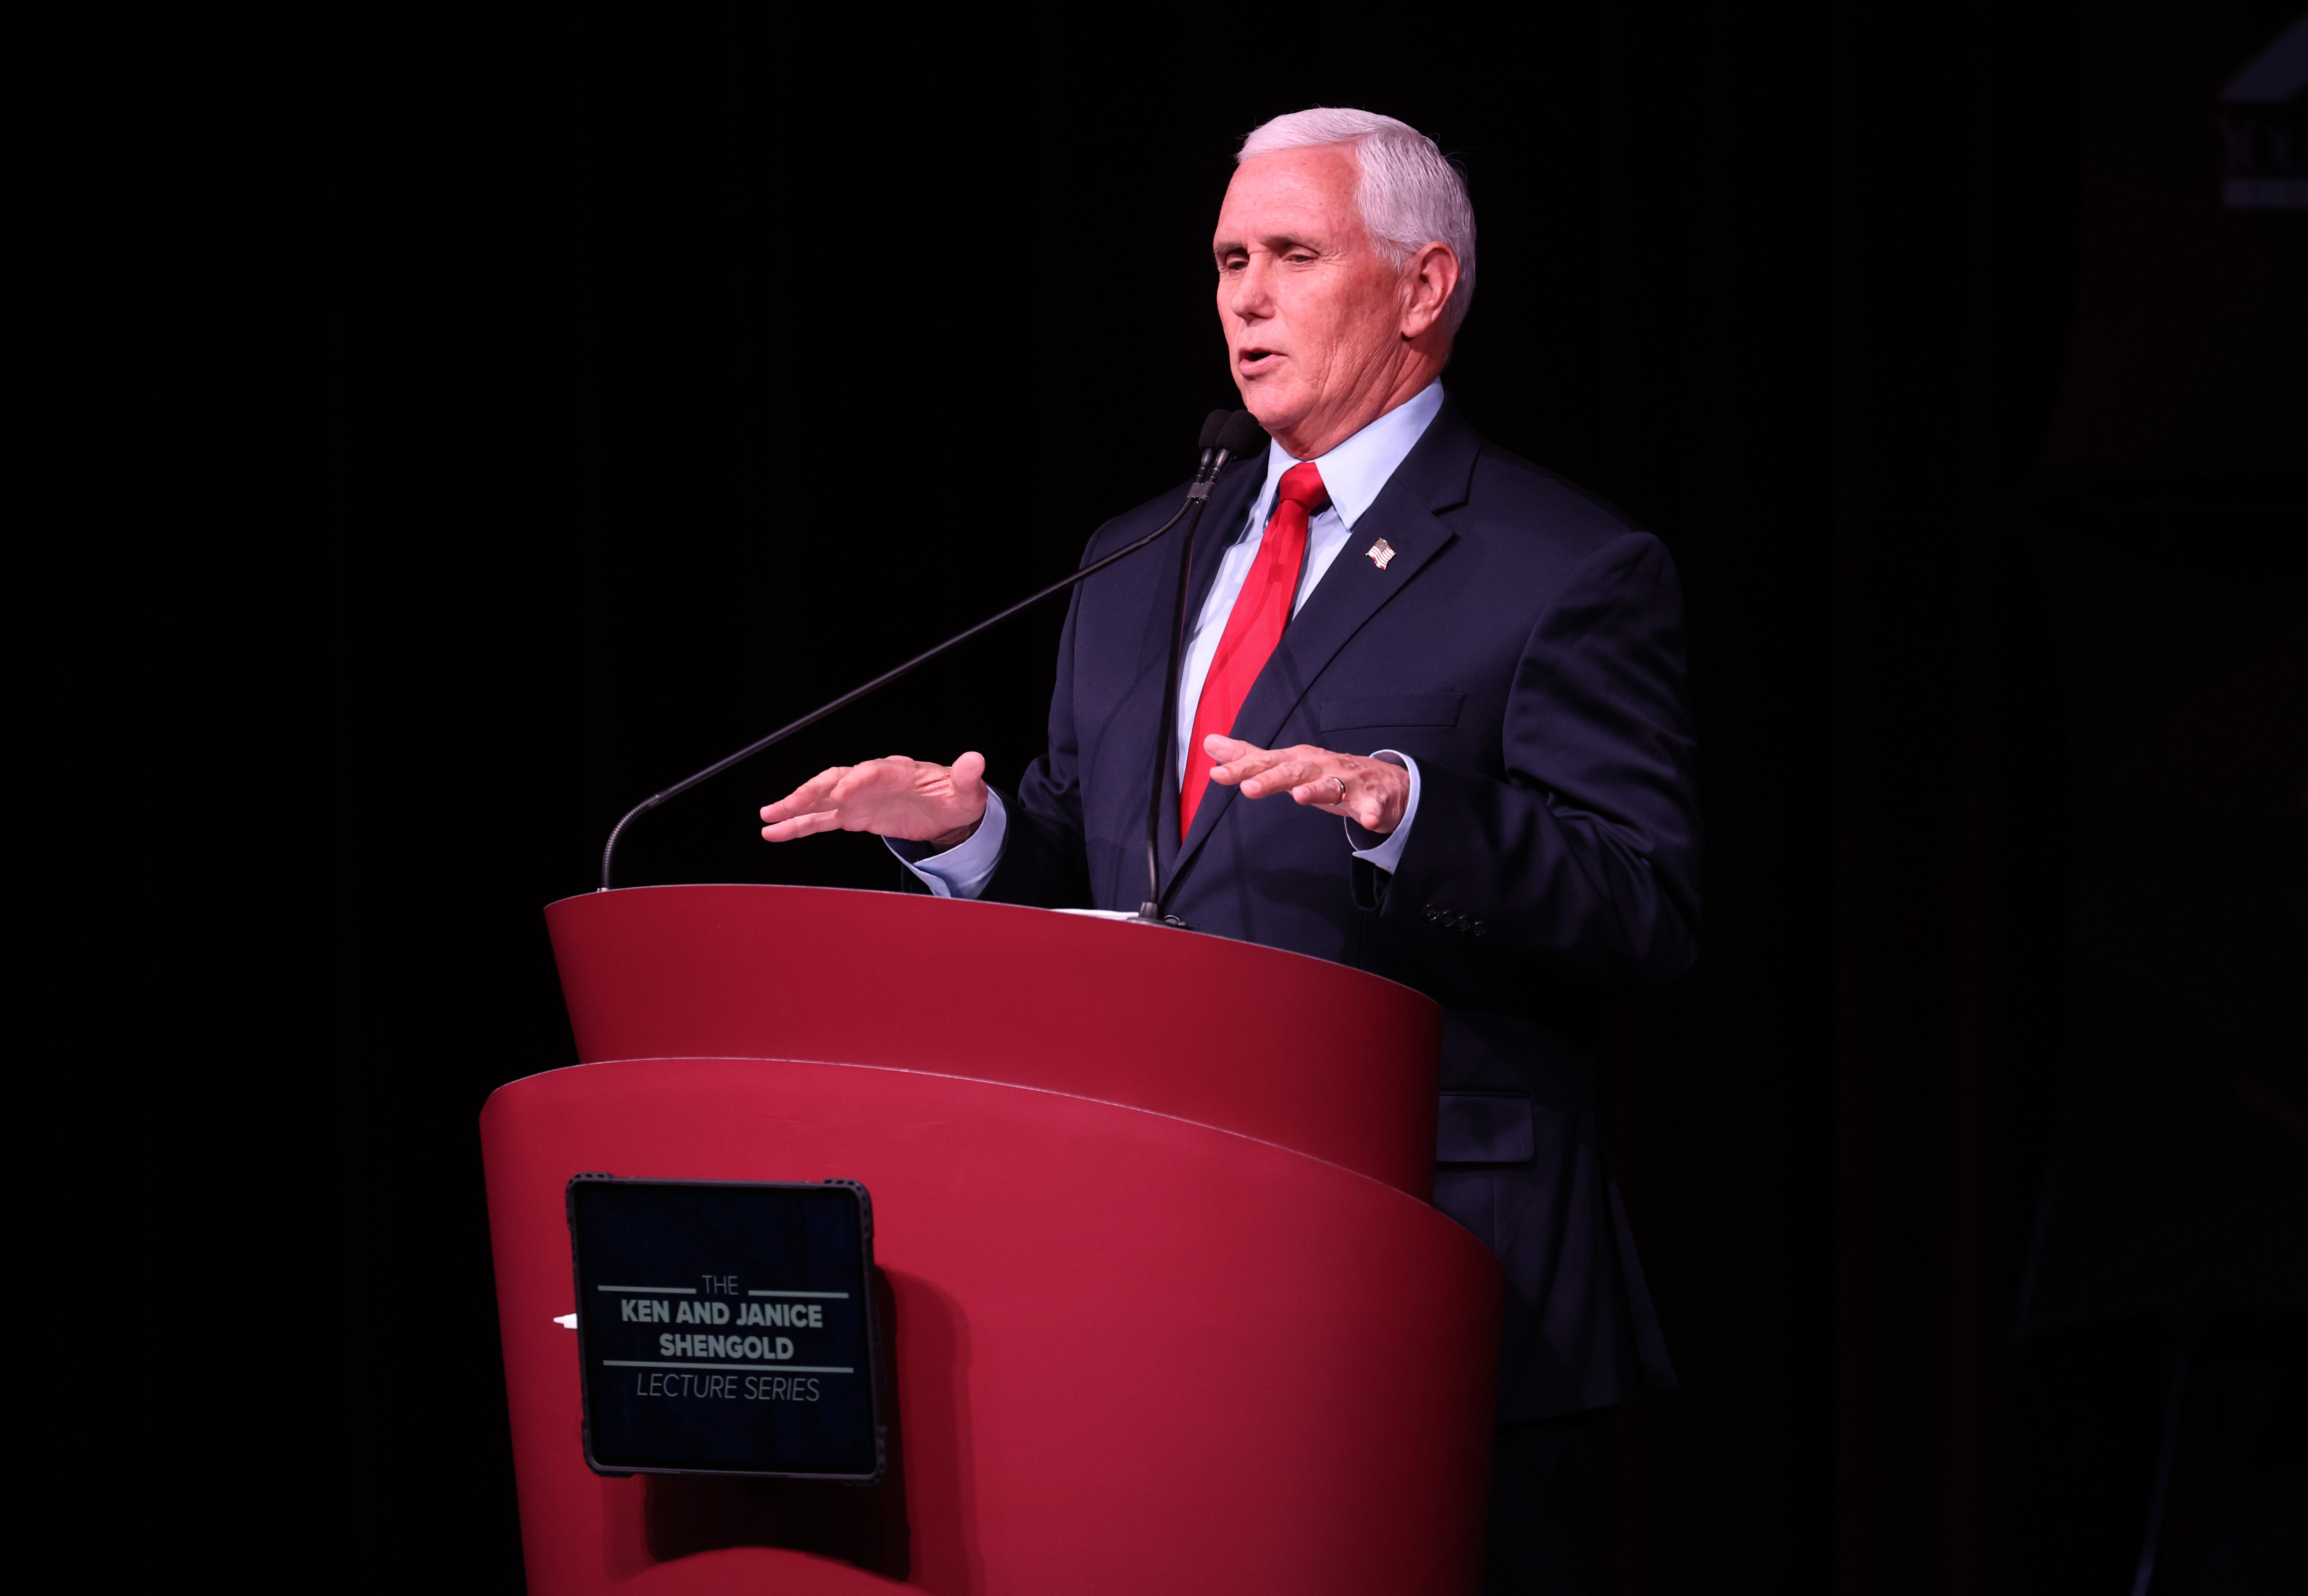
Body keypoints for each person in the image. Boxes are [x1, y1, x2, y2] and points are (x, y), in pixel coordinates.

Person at [759, 106, 1701, 1592]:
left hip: (1445, 1267)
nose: (1245, 298)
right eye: (1226, 261)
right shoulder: (1145, 551)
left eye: (1293, 255)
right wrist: (979, 832)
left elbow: (1645, 904)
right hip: (1160, 1265)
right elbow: (1112, 870)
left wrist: (1406, 807)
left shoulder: (1565, 564)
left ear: (1423, 286)